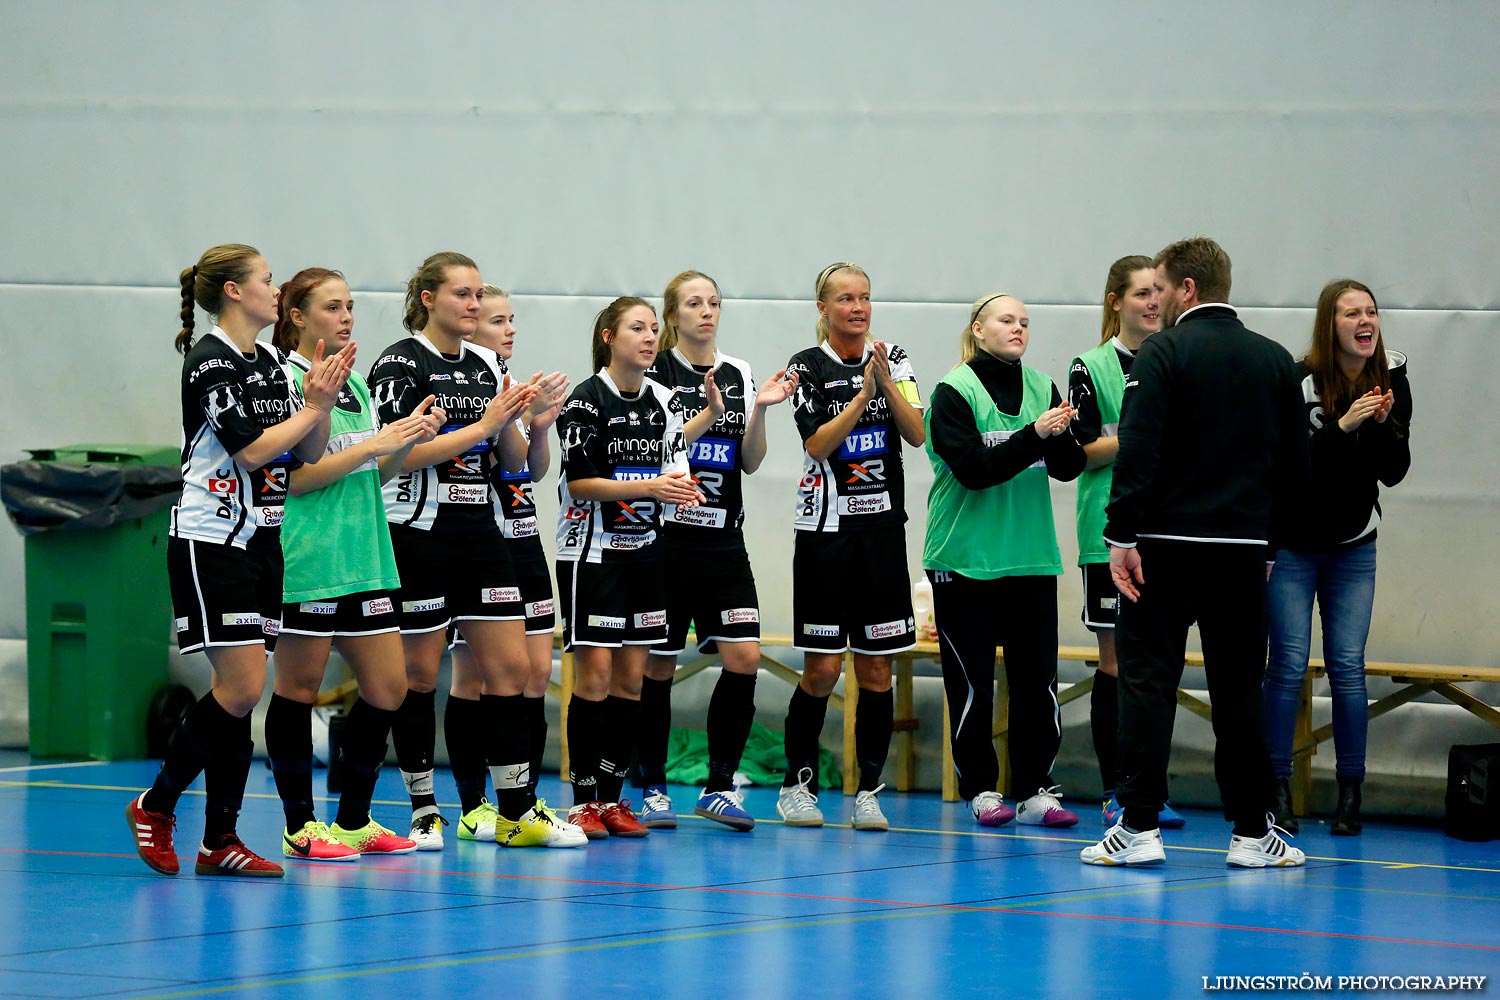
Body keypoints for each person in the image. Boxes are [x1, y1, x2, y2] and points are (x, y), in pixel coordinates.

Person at [127, 244, 352, 877]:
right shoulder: (209, 362)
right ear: (233, 292)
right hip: (210, 540)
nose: (275, 289)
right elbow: (251, 452)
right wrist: (309, 408)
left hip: (263, 541)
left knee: (238, 693)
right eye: (267, 279)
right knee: (244, 686)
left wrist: (320, 397)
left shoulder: (274, 364)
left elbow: (304, 453)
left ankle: (218, 840)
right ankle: (156, 803)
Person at [1082, 237, 1307, 869]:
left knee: (1148, 686)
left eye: (1162, 287)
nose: (1156, 300)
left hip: (1162, 550)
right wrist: (1271, 544)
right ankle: (1252, 834)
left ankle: (1139, 829)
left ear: (1186, 290)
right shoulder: (1274, 361)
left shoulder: (1162, 352)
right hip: (1241, 554)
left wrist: (1120, 536)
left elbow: (1140, 449)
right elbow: (1296, 467)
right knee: (1239, 690)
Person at [369, 253, 581, 850]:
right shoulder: (400, 363)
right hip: (416, 531)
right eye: (461, 294)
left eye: (475, 294)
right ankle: (423, 808)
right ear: (429, 299)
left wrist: (528, 421)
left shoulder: (487, 364)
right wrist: (485, 425)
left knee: (511, 670)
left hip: (481, 531)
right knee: (417, 674)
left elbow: (511, 465)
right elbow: (396, 458)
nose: (471, 304)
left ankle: (515, 809)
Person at [265, 267, 440, 862]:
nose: (346, 317)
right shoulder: (285, 382)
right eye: (333, 307)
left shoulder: (358, 387)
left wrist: (405, 441)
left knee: (389, 688)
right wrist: (372, 444)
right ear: (297, 316)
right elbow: (298, 479)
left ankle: (353, 821)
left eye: (350, 306)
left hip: (367, 556)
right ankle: (299, 825)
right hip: (310, 557)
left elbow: (371, 473)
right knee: (298, 688)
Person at [632, 271, 798, 832]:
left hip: (723, 538)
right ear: (672, 315)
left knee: (744, 657)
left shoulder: (740, 372)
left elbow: (749, 461)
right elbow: (656, 448)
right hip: (663, 538)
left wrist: (762, 410)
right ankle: (651, 784)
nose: (707, 312)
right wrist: (702, 414)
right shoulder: (653, 372)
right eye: (694, 303)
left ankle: (720, 786)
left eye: (714, 303)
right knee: (657, 662)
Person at [925, 293, 1086, 830]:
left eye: (1025, 322)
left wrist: (1063, 437)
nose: (1018, 328)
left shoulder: (1043, 386)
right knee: (972, 684)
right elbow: (974, 468)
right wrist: (1034, 435)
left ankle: (1036, 788)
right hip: (965, 560)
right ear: (978, 328)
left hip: (1031, 558)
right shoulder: (954, 390)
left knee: (1038, 682)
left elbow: (1067, 467)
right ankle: (981, 787)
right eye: (1007, 320)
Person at [777, 262, 925, 832]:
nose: (858, 308)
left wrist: (884, 382)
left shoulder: (896, 358)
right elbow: (817, 444)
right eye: (845, 299)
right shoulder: (806, 367)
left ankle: (869, 791)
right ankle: (798, 786)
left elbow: (916, 433)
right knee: (820, 670)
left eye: (864, 297)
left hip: (882, 536)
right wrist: (862, 398)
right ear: (824, 309)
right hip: (825, 538)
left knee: (877, 673)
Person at [1262, 279, 1411, 837]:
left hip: (1354, 545)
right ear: (1332, 324)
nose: (1365, 321)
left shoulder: (1391, 380)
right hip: (1296, 545)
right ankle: (1276, 788)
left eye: (1371, 311)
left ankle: (1351, 793)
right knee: (1288, 665)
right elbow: (1289, 470)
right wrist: (1342, 426)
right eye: (1353, 313)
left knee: (1348, 667)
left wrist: (1378, 429)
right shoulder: (1300, 383)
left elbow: (1394, 471)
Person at [554, 297, 701, 839]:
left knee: (631, 683)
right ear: (609, 336)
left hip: (647, 554)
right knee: (593, 679)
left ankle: (614, 800)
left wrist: (682, 489)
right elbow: (579, 483)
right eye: (636, 328)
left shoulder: (663, 401)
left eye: (653, 329)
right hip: (593, 556)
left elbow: (672, 471)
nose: (648, 336)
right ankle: (583, 802)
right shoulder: (585, 402)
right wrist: (650, 487)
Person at [446, 285, 576, 845]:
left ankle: (520, 798)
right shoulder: (467, 387)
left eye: (511, 319)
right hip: (479, 539)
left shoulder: (505, 384)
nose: (509, 329)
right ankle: (475, 805)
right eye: (498, 320)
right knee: (473, 676)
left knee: (531, 673)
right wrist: (504, 422)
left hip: (523, 540)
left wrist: (540, 424)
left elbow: (527, 468)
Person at [1067, 256, 1183, 830]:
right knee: (1117, 663)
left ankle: (1152, 790)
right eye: (1141, 292)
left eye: (1158, 291)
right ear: (1116, 301)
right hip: (1109, 534)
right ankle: (1118, 789)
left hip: (1171, 532)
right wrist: (1145, 435)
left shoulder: (1178, 356)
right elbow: (1080, 452)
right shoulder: (1089, 368)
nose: (1152, 302)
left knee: (1157, 664)